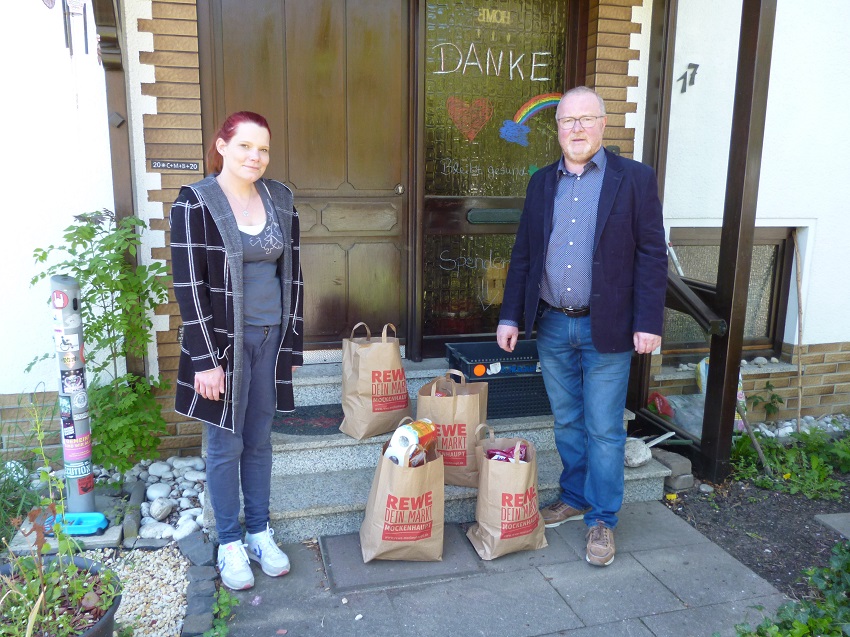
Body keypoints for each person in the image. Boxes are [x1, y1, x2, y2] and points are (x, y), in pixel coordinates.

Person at [496, 87, 667, 567]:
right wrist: (510, 315)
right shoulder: (541, 183)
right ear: (557, 129)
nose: (575, 128)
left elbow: (652, 254)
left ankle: (602, 520)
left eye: (585, 119)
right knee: (568, 421)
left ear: (602, 124)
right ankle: (573, 496)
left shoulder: (633, 179)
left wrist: (648, 320)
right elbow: (525, 255)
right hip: (552, 324)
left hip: (608, 329)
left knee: (605, 429)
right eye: (567, 120)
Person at [169, 111, 303, 590]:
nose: (255, 157)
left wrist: (290, 343)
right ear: (221, 145)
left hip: (269, 339)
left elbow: (293, 275)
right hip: (222, 345)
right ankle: (229, 541)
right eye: (245, 145)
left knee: (260, 439)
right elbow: (189, 286)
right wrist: (204, 359)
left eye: (263, 148)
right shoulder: (196, 203)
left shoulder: (281, 199)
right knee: (225, 445)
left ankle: (259, 532)